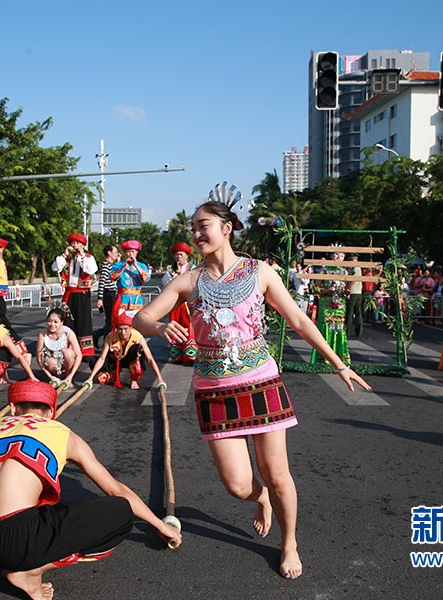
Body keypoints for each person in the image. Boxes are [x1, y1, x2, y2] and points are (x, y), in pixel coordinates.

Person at [133, 198, 370, 580]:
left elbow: (296, 319)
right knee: (238, 484)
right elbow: (141, 316)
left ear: (226, 228)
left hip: (261, 381)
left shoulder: (260, 272)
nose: (196, 234)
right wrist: (160, 328)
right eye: (193, 227)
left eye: (202, 225)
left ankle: (289, 541)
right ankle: (262, 500)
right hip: (214, 390)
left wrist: (338, 363)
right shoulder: (188, 281)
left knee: (278, 474)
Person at [0, 380, 181, 600]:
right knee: (121, 513)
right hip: (17, 541)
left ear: (12, 408)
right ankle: (29, 571)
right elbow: (116, 490)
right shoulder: (64, 434)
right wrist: (160, 525)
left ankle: (14, 556)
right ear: (51, 412)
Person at [86, 314, 165, 390]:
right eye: (120, 329)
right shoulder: (111, 336)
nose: (123, 332)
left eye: (125, 329)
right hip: (116, 359)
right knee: (94, 363)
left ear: (131, 328)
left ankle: (134, 380)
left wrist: (160, 379)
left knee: (137, 349)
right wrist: (90, 378)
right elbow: (102, 358)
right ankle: (114, 373)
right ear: (117, 328)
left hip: (130, 359)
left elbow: (150, 359)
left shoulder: (138, 337)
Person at [52, 233, 98, 358]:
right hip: (69, 293)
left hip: (82, 293)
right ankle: (65, 348)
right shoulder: (66, 259)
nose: (74, 245)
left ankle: (85, 351)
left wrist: (82, 254)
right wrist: (65, 254)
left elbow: (90, 269)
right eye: (72, 243)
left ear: (83, 245)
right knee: (67, 320)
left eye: (77, 243)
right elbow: (55, 267)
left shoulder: (88, 257)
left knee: (83, 321)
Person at [309, 246, 351, 365]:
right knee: (325, 328)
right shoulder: (324, 270)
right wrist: (327, 290)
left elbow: (347, 288)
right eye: (336, 254)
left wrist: (347, 292)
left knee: (339, 329)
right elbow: (316, 289)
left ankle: (339, 356)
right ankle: (323, 357)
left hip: (340, 304)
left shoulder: (345, 271)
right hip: (326, 303)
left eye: (342, 255)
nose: (339, 257)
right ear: (331, 255)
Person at [160, 242, 197, 365]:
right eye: (176, 255)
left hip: (188, 303)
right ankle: (177, 354)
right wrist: (173, 276)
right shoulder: (170, 270)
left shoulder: (192, 269)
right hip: (175, 304)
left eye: (181, 254)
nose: (178, 257)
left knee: (189, 327)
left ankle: (190, 355)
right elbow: (165, 284)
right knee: (175, 327)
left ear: (186, 256)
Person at [36, 307, 82, 388]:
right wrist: (50, 376)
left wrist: (71, 376)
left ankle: (67, 377)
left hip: (65, 362)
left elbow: (79, 355)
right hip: (52, 362)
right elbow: (39, 359)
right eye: (50, 321)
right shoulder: (42, 335)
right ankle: (55, 377)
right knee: (50, 361)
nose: (52, 324)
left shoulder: (68, 332)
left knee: (69, 353)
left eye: (56, 322)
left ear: (61, 323)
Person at [109, 240, 150, 319]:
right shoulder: (118, 265)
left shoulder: (142, 266)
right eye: (128, 252)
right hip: (122, 299)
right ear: (125, 253)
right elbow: (112, 277)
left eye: (133, 251)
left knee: (136, 324)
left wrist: (136, 265)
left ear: (136, 253)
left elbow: (145, 279)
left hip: (136, 300)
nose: (131, 254)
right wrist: (124, 267)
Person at [93, 244, 120, 348]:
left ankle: (98, 335)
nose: (117, 254)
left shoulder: (111, 266)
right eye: (115, 252)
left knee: (112, 319)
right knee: (110, 319)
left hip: (112, 293)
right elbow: (102, 283)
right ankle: (106, 343)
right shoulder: (105, 266)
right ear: (109, 253)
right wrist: (99, 298)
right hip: (108, 294)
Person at [344, 253, 364, 337]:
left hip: (353, 292)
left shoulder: (354, 268)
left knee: (349, 312)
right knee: (358, 312)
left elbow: (353, 280)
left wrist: (348, 291)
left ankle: (346, 331)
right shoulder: (358, 267)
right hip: (358, 292)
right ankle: (359, 331)